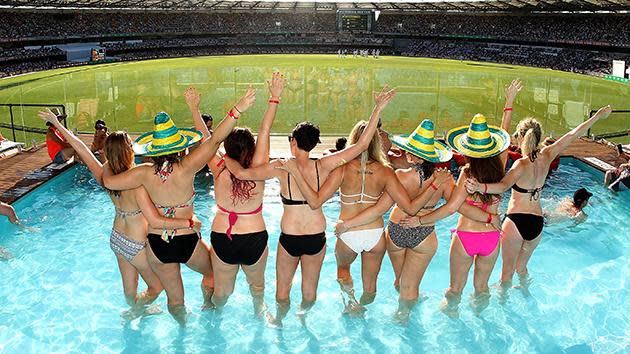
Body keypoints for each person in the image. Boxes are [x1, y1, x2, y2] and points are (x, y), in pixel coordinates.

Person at [223, 85, 398, 325]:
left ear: (293, 142)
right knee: (309, 294)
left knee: (282, 293)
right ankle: (303, 316)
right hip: (316, 237)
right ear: (315, 144)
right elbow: (360, 146)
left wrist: (226, 159)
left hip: (290, 236)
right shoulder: (323, 165)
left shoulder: (281, 167)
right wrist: (377, 109)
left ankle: (279, 320)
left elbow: (243, 175)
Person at [281, 88, 452, 314]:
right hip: (375, 235)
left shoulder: (341, 169)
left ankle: (350, 305)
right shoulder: (387, 172)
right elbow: (410, 208)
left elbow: (316, 201)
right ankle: (363, 304)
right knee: (370, 287)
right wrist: (433, 185)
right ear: (377, 144)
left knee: (343, 271)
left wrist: (296, 175)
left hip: (347, 234)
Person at [102, 87, 255, 324]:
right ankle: (208, 306)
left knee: (175, 299)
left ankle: (182, 329)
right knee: (212, 273)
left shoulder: (142, 173)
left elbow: (109, 180)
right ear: (179, 146)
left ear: (153, 149)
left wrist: (110, 160)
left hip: (157, 244)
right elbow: (214, 140)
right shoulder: (187, 167)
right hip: (187, 239)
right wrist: (237, 109)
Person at [38, 109, 201, 315]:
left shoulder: (106, 176)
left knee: (129, 290)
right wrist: (188, 223)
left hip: (117, 239)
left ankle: (134, 309)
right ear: (129, 151)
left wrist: (57, 124)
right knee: (157, 287)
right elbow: (156, 216)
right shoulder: (138, 182)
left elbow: (80, 148)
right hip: (136, 244)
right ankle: (136, 311)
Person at [333, 119, 492, 322]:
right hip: (424, 235)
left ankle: (399, 307)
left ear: (413, 154)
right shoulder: (444, 178)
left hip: (397, 229)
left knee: (400, 282)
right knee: (410, 285)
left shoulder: (400, 176)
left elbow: (382, 207)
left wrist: (348, 223)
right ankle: (404, 314)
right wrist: (487, 217)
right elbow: (456, 207)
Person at [466, 105, 612, 290]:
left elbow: (502, 186)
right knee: (522, 269)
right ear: (539, 137)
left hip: (516, 221)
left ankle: (505, 308)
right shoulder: (548, 154)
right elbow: (573, 134)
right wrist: (597, 116)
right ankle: (527, 295)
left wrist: (480, 186)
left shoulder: (521, 164)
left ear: (520, 137)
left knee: (506, 274)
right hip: (537, 223)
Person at [187, 73, 282, 315]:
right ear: (251, 147)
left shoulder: (219, 167)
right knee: (257, 287)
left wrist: (194, 109)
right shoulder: (258, 169)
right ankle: (259, 312)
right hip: (254, 236)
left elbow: (207, 140)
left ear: (227, 148)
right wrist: (274, 98)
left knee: (222, 292)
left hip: (223, 237)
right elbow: (266, 128)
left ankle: (212, 309)